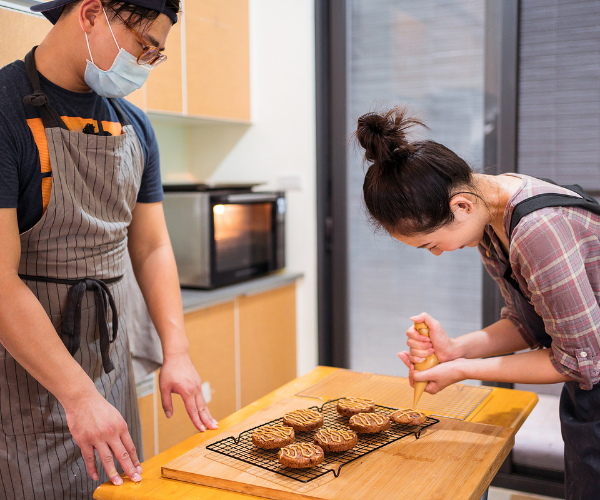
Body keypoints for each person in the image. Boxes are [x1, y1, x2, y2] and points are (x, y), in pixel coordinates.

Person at [0, 1, 218, 498]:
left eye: (155, 56)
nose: (143, 64)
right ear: (93, 13)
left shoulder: (134, 126)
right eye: (144, 46)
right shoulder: (5, 113)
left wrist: (176, 352)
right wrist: (77, 397)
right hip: (24, 373)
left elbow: (152, 247)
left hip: (109, 359)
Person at [354, 106, 600, 500]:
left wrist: (464, 369)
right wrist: (455, 351)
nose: (436, 255)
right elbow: (526, 324)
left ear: (460, 206)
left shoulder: (537, 228)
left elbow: (578, 360)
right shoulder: (488, 215)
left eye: (431, 244)